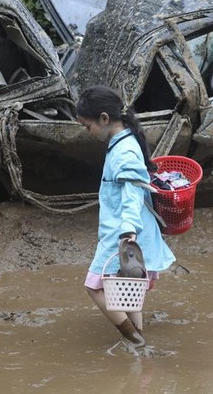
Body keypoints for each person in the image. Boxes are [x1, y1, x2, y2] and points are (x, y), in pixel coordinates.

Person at [75, 85, 176, 348]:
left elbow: (132, 193)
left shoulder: (124, 152)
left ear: (104, 119)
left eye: (88, 126)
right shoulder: (126, 142)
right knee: (128, 289)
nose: (89, 132)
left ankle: (133, 338)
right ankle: (140, 337)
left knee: (94, 286)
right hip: (129, 227)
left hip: (122, 230)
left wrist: (128, 230)